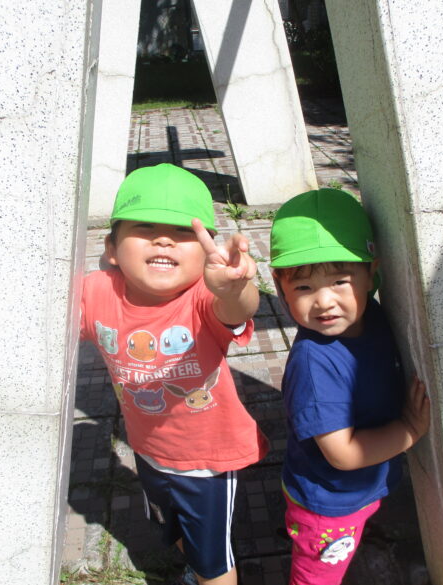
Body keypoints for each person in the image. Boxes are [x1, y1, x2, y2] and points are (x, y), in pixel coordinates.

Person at [80, 163, 268, 585]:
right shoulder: (96, 292)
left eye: (184, 232)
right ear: (111, 248)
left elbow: (236, 311)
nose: (164, 238)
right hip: (147, 448)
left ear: (205, 253)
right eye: (145, 227)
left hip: (206, 463)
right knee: (170, 526)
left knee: (214, 561)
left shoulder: (204, 299)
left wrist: (234, 288)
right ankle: (193, 561)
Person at [269, 188, 431, 585]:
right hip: (328, 506)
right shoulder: (315, 364)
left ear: (371, 273)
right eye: (304, 287)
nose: (324, 302)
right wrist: (409, 430)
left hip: (355, 494)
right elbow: (342, 453)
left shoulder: (372, 315)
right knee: (316, 577)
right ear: (279, 286)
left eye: (340, 281)